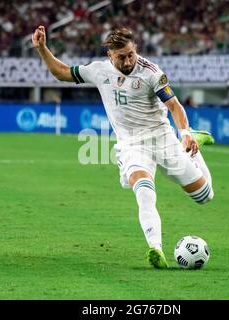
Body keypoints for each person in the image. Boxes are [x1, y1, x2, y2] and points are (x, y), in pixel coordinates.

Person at [32, 26, 215, 269]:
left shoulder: (152, 73)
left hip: (162, 138)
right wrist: (42, 49)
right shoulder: (98, 71)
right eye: (121, 56)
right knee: (143, 191)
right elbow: (62, 72)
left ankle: (195, 140)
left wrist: (184, 133)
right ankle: (155, 248)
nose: (128, 60)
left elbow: (175, 106)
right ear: (110, 55)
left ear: (135, 49)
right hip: (132, 145)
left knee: (204, 196)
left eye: (131, 54)